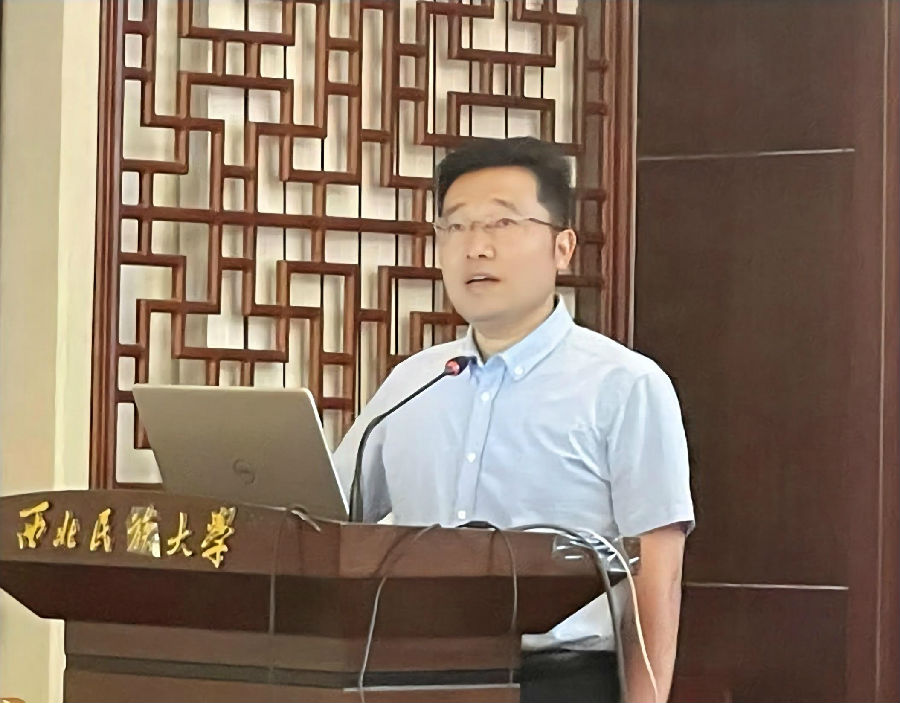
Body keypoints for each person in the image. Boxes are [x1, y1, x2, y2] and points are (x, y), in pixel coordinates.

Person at [333, 136, 694, 703]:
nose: (476, 247)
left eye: (502, 224)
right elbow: (326, 518)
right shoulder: (413, 383)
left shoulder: (625, 386)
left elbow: (657, 576)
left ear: (562, 247)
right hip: (409, 676)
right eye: (456, 227)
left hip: (557, 681)